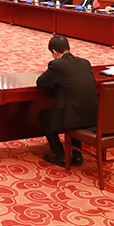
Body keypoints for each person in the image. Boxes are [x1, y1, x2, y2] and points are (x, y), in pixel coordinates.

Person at [36, 34, 97, 167]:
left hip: (73, 118)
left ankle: (60, 155)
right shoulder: (85, 63)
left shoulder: (57, 64)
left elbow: (41, 83)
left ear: (54, 52)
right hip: (92, 116)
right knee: (74, 107)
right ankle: (77, 155)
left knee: (43, 116)